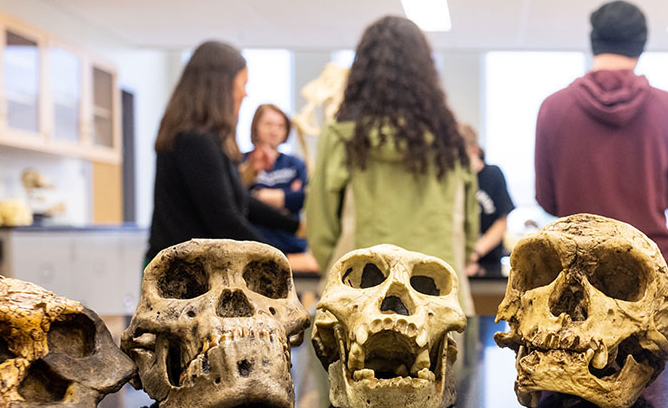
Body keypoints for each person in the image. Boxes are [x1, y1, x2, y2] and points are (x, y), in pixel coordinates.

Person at [306, 16, 478, 285]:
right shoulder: (450, 138)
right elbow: (469, 227)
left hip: (360, 292)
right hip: (438, 292)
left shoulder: (342, 135)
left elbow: (320, 228)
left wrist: (341, 273)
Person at [533, 0, 668, 267]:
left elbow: (547, 199)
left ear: (593, 40)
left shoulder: (553, 109)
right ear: (642, 44)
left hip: (577, 270)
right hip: (650, 271)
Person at [144, 40, 304, 267]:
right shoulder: (195, 139)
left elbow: (239, 200)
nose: (245, 93)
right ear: (222, 85)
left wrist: (294, 227)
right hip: (178, 275)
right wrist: (279, 260)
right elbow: (224, 219)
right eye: (243, 83)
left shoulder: (206, 138)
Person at [240, 103, 311, 257]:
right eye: (269, 124)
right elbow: (236, 199)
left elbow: (303, 198)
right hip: (252, 245)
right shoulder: (241, 161)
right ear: (256, 127)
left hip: (291, 245)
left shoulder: (295, 164)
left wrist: (260, 195)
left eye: (280, 126)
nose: (274, 131)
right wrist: (285, 196)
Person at [459, 123, 515, 277]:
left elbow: (502, 222)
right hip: (458, 262)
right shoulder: (454, 180)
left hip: (490, 262)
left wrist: (474, 254)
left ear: (473, 149)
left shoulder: (493, 174)